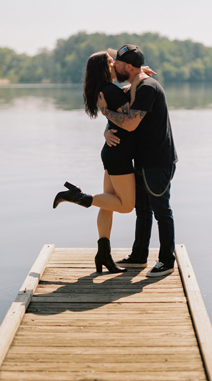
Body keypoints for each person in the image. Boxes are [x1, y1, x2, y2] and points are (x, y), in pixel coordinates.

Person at [53, 50, 149, 273]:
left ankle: (103, 254)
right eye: (110, 61)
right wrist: (138, 79)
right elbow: (130, 119)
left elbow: (120, 106)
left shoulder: (107, 90)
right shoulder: (110, 92)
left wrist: (137, 77)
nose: (114, 63)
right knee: (126, 206)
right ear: (104, 69)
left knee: (108, 203)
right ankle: (78, 197)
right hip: (119, 155)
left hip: (112, 151)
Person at [98, 44, 178, 277]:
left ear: (130, 67)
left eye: (117, 63)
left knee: (161, 210)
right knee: (142, 210)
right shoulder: (135, 85)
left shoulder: (147, 88)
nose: (114, 65)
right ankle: (139, 255)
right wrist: (107, 129)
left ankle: (166, 261)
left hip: (158, 160)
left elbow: (130, 123)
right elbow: (122, 114)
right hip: (142, 159)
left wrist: (105, 112)